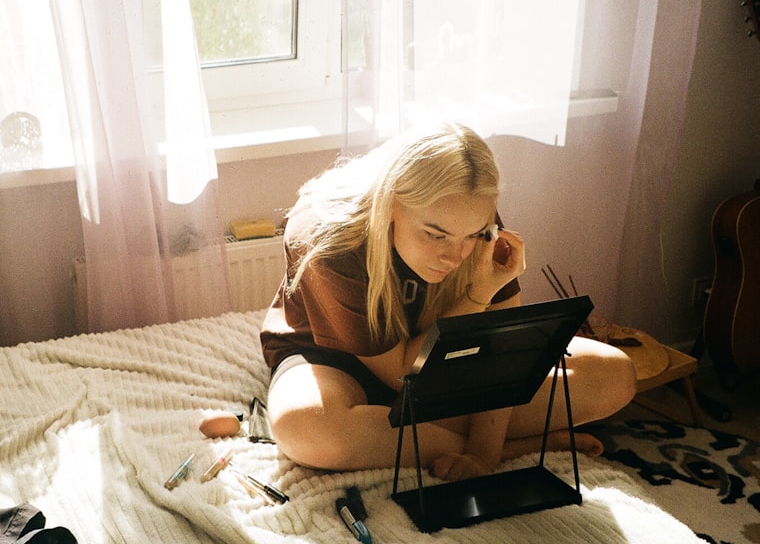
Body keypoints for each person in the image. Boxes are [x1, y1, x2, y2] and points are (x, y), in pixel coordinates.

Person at [260, 123, 636, 481]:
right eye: (435, 235)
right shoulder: (325, 235)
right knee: (306, 429)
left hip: (445, 362)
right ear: (390, 203)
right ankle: (519, 446)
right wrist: (477, 295)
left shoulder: (469, 215)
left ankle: (391, 433)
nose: (454, 256)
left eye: (471, 235)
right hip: (334, 363)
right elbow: (403, 375)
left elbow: (506, 355)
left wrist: (482, 457)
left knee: (614, 374)